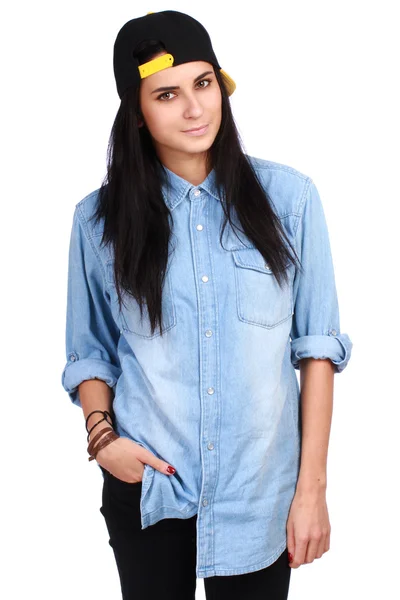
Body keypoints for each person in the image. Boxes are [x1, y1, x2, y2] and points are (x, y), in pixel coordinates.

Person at [61, 10, 353, 600]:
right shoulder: (98, 221)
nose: (194, 109)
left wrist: (312, 491)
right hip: (150, 488)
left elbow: (317, 349)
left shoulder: (290, 200)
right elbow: (89, 352)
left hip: (259, 496)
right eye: (166, 94)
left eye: (204, 84)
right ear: (137, 115)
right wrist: (104, 443)